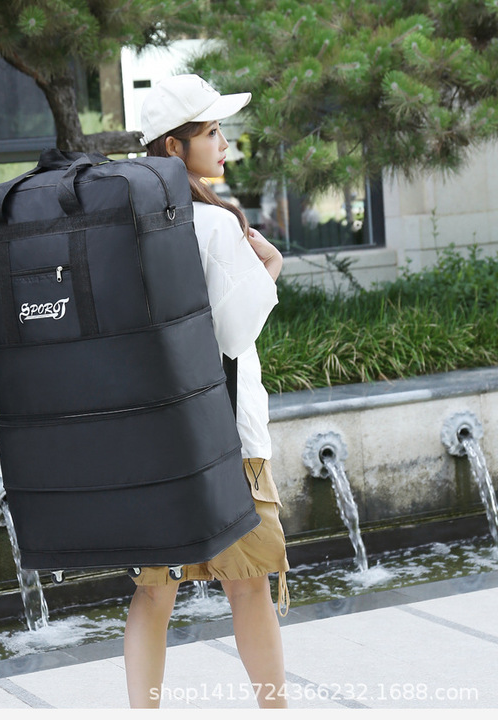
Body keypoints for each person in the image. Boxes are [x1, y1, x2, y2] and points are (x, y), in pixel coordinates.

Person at [123, 74, 290, 709]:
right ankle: (274, 710)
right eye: (213, 132)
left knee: (153, 593)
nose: (225, 143)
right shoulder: (215, 225)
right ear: (174, 147)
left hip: (154, 439)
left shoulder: (125, 225)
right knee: (248, 583)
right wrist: (270, 267)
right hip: (226, 440)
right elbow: (235, 333)